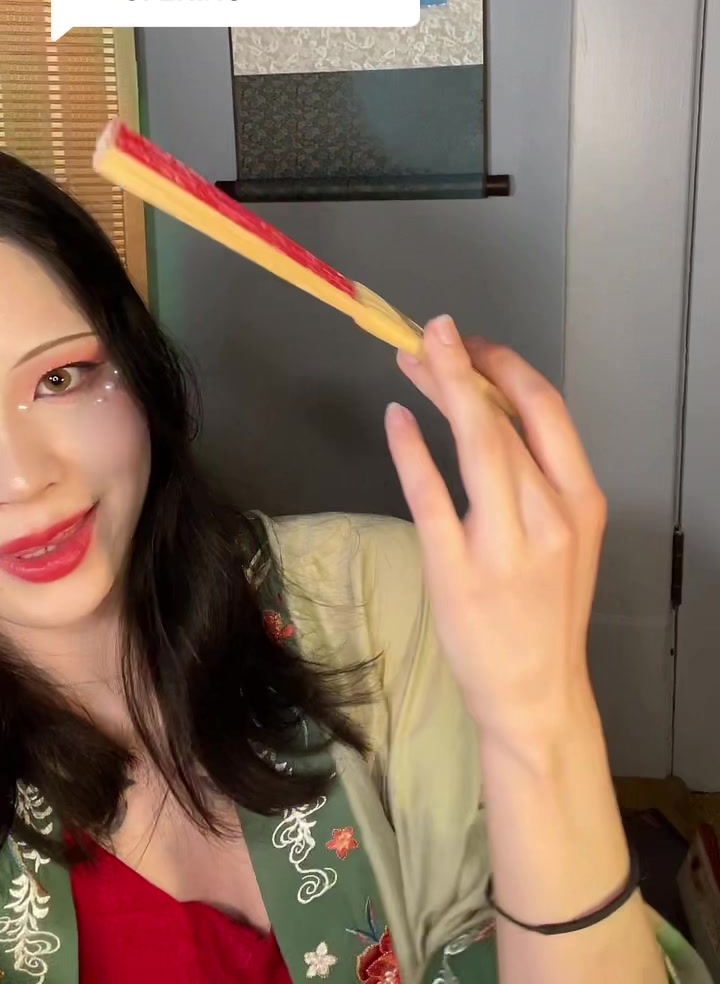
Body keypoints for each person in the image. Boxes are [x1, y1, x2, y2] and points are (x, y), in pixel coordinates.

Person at [0, 149, 708, 984]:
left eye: (60, 377)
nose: (22, 480)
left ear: (140, 368)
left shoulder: (379, 596)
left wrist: (542, 720)